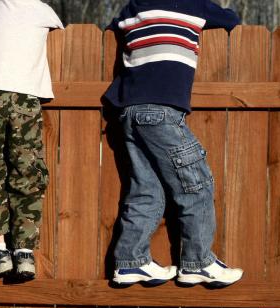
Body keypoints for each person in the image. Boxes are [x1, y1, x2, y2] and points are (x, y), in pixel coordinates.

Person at [104, 0, 244, 287]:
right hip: (161, 111)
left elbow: (111, 28)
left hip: (128, 111)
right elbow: (232, 19)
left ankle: (131, 261)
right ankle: (198, 262)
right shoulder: (192, 4)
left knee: (146, 190)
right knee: (196, 183)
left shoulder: (133, 8)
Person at [0, 0, 64, 281]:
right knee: (27, 170)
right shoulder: (44, 11)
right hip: (25, 97)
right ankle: (24, 253)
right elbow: (59, 25)